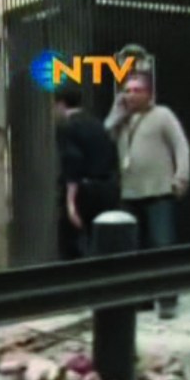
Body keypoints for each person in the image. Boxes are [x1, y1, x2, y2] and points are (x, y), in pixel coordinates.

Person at [105, 73, 190, 319]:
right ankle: (141, 298)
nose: (130, 95)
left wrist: (181, 177)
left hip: (159, 191)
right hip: (130, 193)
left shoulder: (162, 115)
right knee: (134, 249)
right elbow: (105, 134)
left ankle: (167, 299)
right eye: (127, 91)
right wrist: (116, 112)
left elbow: (180, 145)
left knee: (162, 246)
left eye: (136, 90)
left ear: (148, 94)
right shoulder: (123, 120)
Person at [54, 83, 121, 259]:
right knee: (99, 240)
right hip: (106, 188)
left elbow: (72, 162)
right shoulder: (98, 125)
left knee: (70, 243)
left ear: (60, 104)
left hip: (83, 191)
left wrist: (70, 203)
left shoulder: (66, 127)